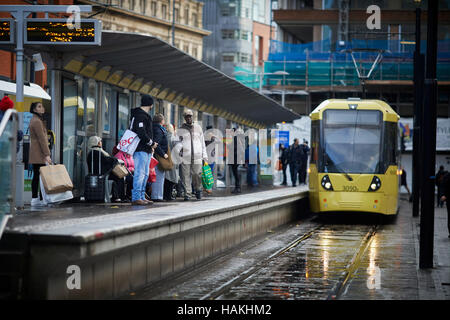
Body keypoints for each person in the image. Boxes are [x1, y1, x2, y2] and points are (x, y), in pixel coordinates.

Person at [130, 95, 158, 206]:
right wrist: (151, 143)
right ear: (151, 105)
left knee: (145, 174)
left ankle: (141, 196)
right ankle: (136, 197)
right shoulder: (140, 116)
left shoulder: (143, 115)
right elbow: (141, 132)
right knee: (140, 173)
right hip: (140, 148)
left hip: (146, 149)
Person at [178, 109, 208, 201]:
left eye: (190, 116)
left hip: (197, 156)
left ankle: (198, 190)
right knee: (185, 176)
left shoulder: (198, 128)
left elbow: (202, 142)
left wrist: (205, 155)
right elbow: (177, 142)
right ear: (185, 118)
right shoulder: (181, 129)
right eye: (187, 116)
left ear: (192, 117)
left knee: (197, 174)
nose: (189, 118)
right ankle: (188, 194)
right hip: (185, 156)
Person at [29, 102, 52, 207]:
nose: (42, 108)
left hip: (36, 152)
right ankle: (40, 198)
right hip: (39, 153)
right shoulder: (37, 121)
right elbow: (42, 139)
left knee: (37, 176)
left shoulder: (36, 120)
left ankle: (36, 198)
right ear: (34, 110)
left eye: (42, 106)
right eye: (39, 107)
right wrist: (47, 154)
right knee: (41, 176)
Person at [151, 113, 169, 202]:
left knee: (158, 176)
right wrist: (163, 154)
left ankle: (157, 195)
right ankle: (157, 196)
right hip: (158, 156)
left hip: (157, 155)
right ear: (162, 121)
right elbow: (156, 144)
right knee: (159, 176)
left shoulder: (155, 128)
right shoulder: (158, 130)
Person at [164, 124, 179, 201]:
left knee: (166, 178)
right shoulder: (173, 137)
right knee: (171, 179)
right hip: (172, 160)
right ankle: (169, 196)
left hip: (165, 159)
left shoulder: (164, 136)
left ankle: (165, 195)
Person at [228, 128, 245, 194]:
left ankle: (237, 188)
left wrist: (228, 146)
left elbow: (235, 148)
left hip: (235, 159)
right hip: (235, 159)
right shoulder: (236, 138)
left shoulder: (235, 138)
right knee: (236, 174)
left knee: (236, 174)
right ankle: (237, 188)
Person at [439, 172, 450, 238]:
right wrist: (443, 195)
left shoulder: (446, 176)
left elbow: (442, 186)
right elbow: (442, 186)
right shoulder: (447, 176)